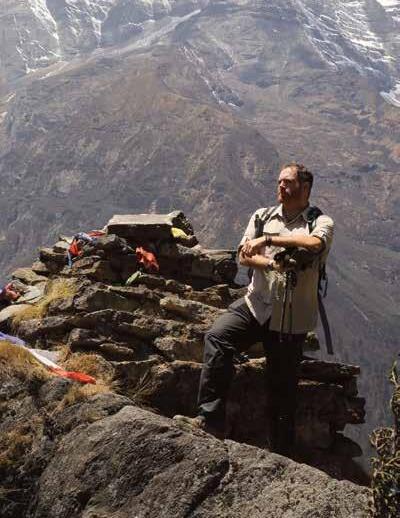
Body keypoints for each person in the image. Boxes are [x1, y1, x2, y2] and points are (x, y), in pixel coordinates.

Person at [174, 163, 334, 455]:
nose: (281, 186)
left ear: (305, 188)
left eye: (288, 182)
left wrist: (269, 240)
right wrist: (273, 263)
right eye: (279, 181)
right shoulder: (262, 216)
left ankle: (281, 453)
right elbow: (244, 255)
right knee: (218, 337)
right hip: (256, 304)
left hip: (291, 318)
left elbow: (314, 244)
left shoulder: (319, 222)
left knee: (282, 387)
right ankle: (210, 420)